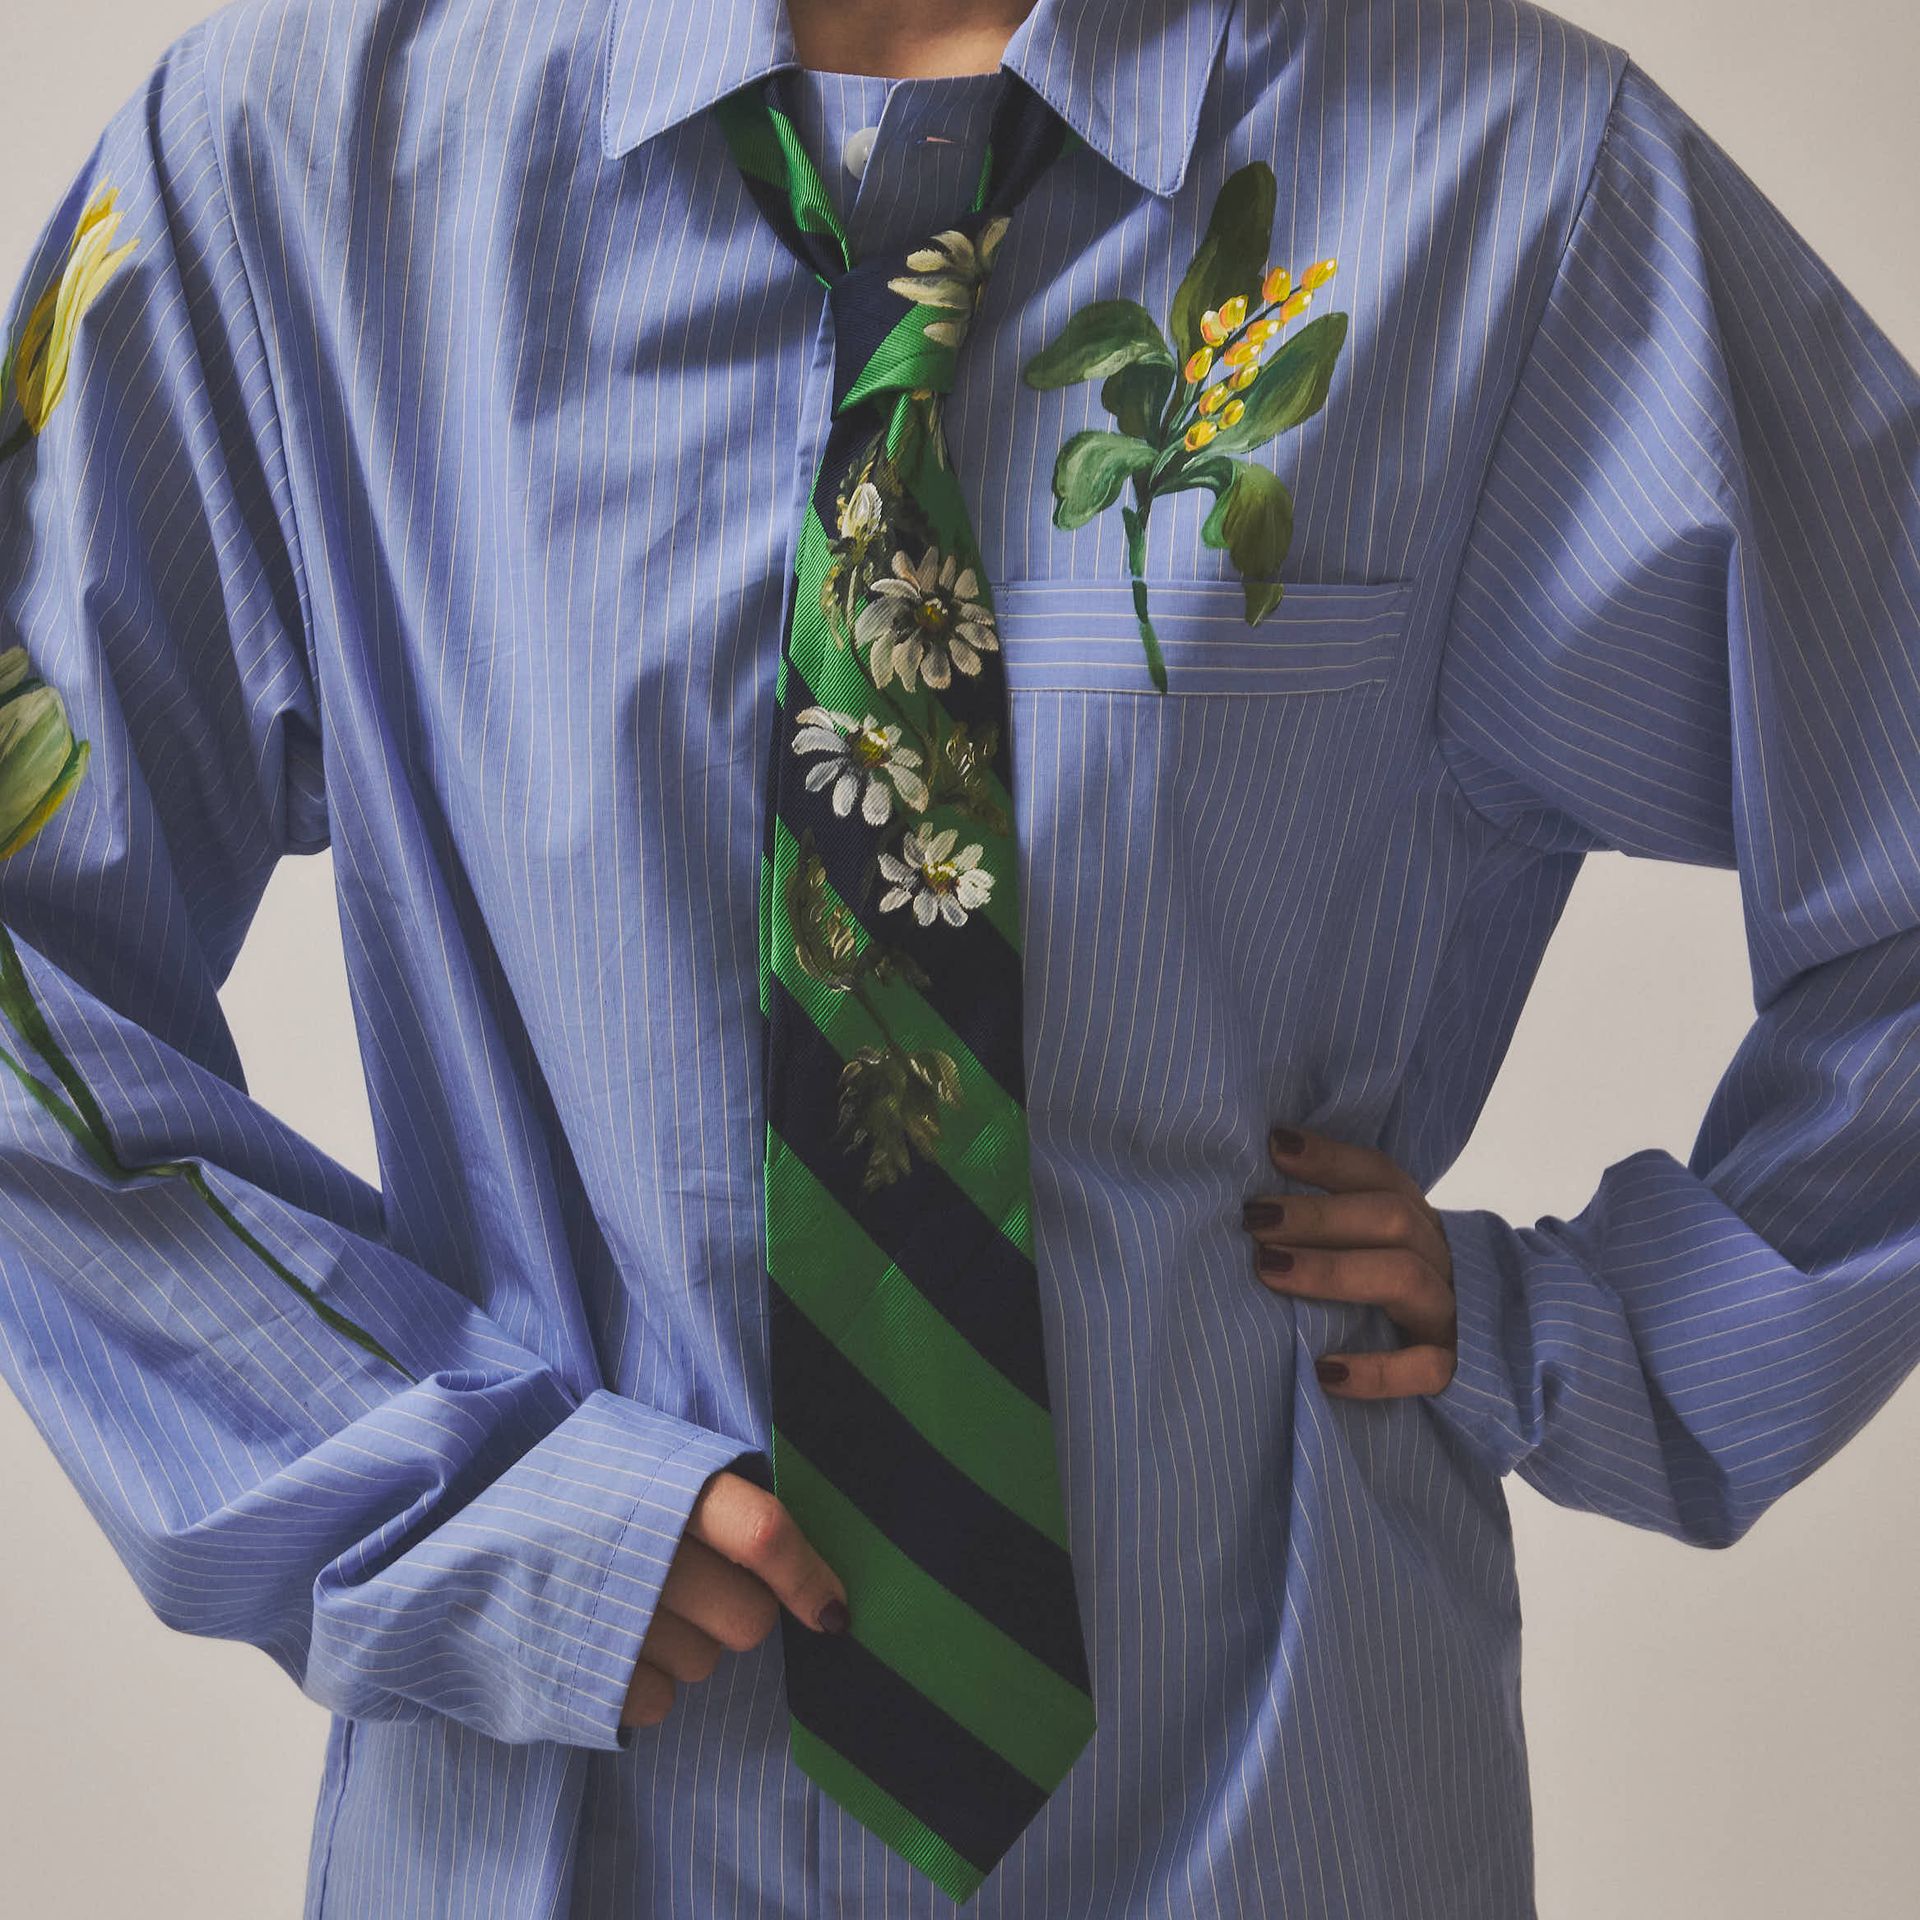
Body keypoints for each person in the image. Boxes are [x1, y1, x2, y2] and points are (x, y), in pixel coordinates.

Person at [0, 0, 1913, 1911]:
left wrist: (1598, 1339)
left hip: (1272, 1788)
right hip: (565, 1817)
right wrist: (440, 1495)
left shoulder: (1513, 186)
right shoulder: (292, 171)